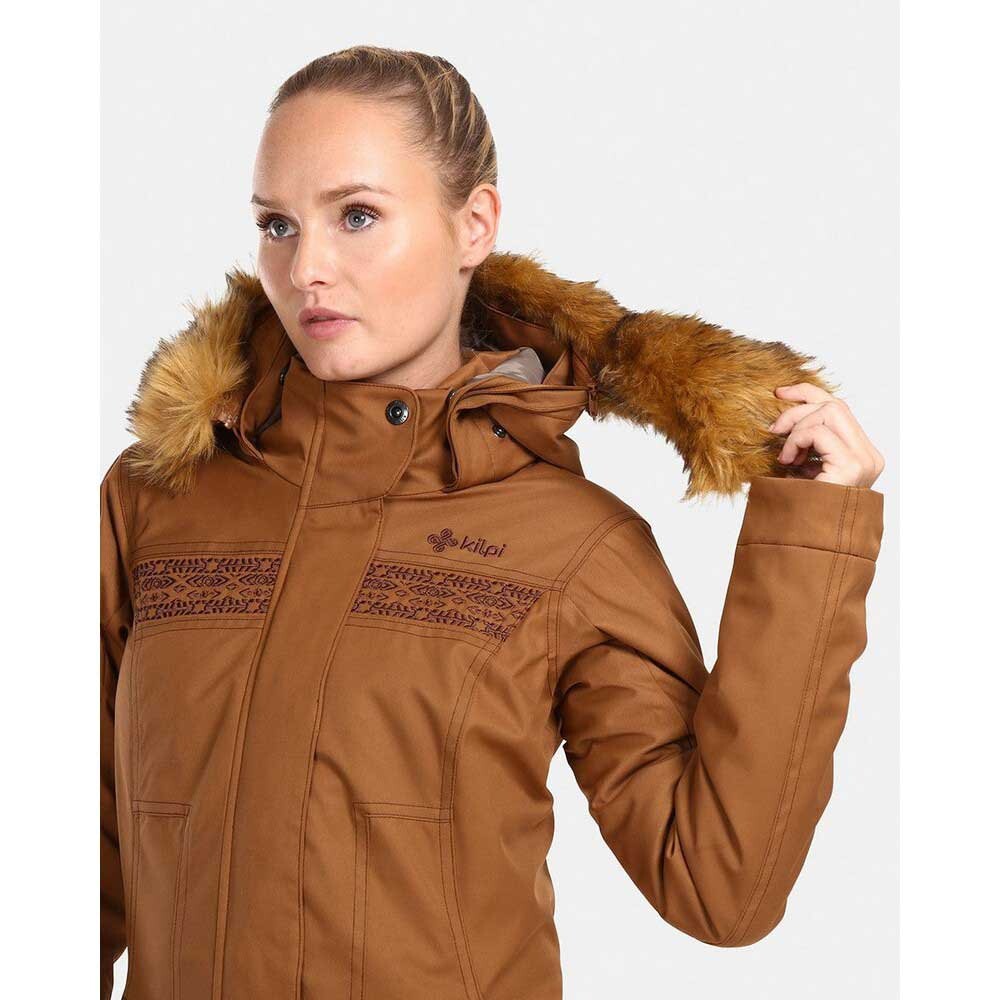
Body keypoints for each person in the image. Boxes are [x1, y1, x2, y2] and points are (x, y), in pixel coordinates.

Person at [100, 45, 885, 1000]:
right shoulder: (158, 499)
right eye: (277, 224)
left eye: (356, 216)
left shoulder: (572, 543)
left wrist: (809, 539)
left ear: (474, 223)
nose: (305, 268)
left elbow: (721, 885)